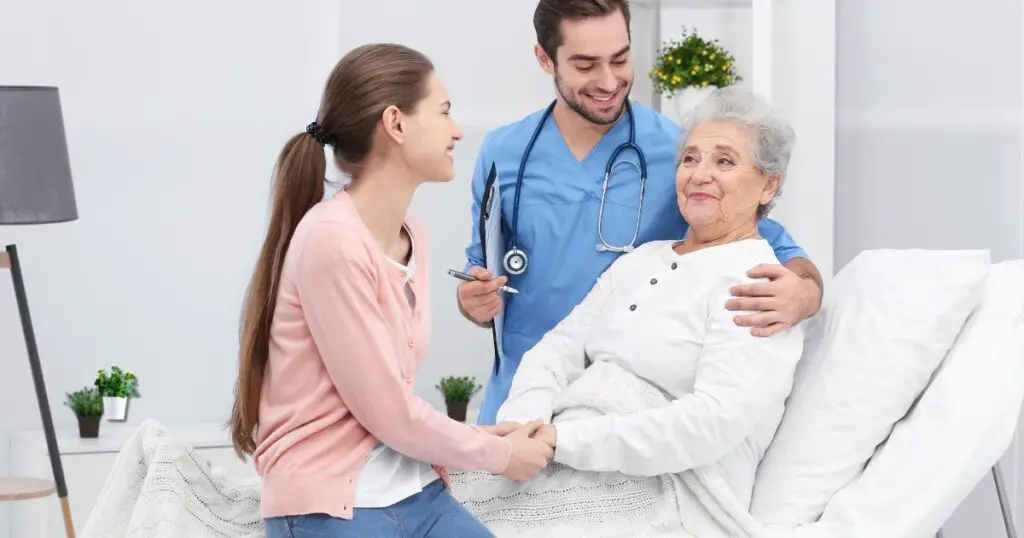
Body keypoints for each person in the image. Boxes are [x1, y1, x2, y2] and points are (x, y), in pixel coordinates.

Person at [228, 43, 555, 538]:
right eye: (444, 112)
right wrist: (502, 455)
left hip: (415, 493)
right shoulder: (331, 240)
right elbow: (388, 412)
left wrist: (480, 436)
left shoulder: (412, 236)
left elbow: (390, 411)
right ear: (396, 124)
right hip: (333, 506)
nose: (458, 130)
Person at [448, 87, 806, 536]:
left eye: (725, 161)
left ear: (769, 184)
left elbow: (709, 425)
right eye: (690, 159)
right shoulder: (642, 259)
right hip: (566, 450)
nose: (700, 175)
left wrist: (562, 441)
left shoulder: (760, 287)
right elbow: (557, 348)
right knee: (425, 499)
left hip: (674, 488)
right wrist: (524, 425)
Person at [457, 0, 824, 426]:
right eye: (586, 65)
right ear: (545, 59)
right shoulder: (502, 154)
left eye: (620, 58)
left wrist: (806, 292)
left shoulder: (678, 152)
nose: (609, 81)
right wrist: (473, 301)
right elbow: (480, 267)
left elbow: (766, 239)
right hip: (520, 392)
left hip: (616, 401)